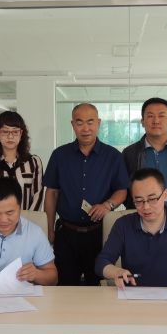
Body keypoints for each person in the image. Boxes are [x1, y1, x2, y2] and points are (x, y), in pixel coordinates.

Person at [43, 103, 129, 286]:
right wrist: (49, 228)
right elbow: (51, 193)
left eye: (90, 122)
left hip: (100, 233)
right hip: (66, 234)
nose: (85, 128)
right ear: (72, 124)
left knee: (98, 287)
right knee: (64, 286)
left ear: (99, 123)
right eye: (79, 122)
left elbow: (122, 190)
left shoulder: (113, 156)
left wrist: (107, 205)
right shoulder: (59, 155)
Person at [0, 111, 43, 211]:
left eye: (15, 132)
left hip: (26, 219)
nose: (10, 136)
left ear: (21, 134)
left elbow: (37, 196)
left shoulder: (33, 162)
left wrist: (26, 220)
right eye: (5, 131)